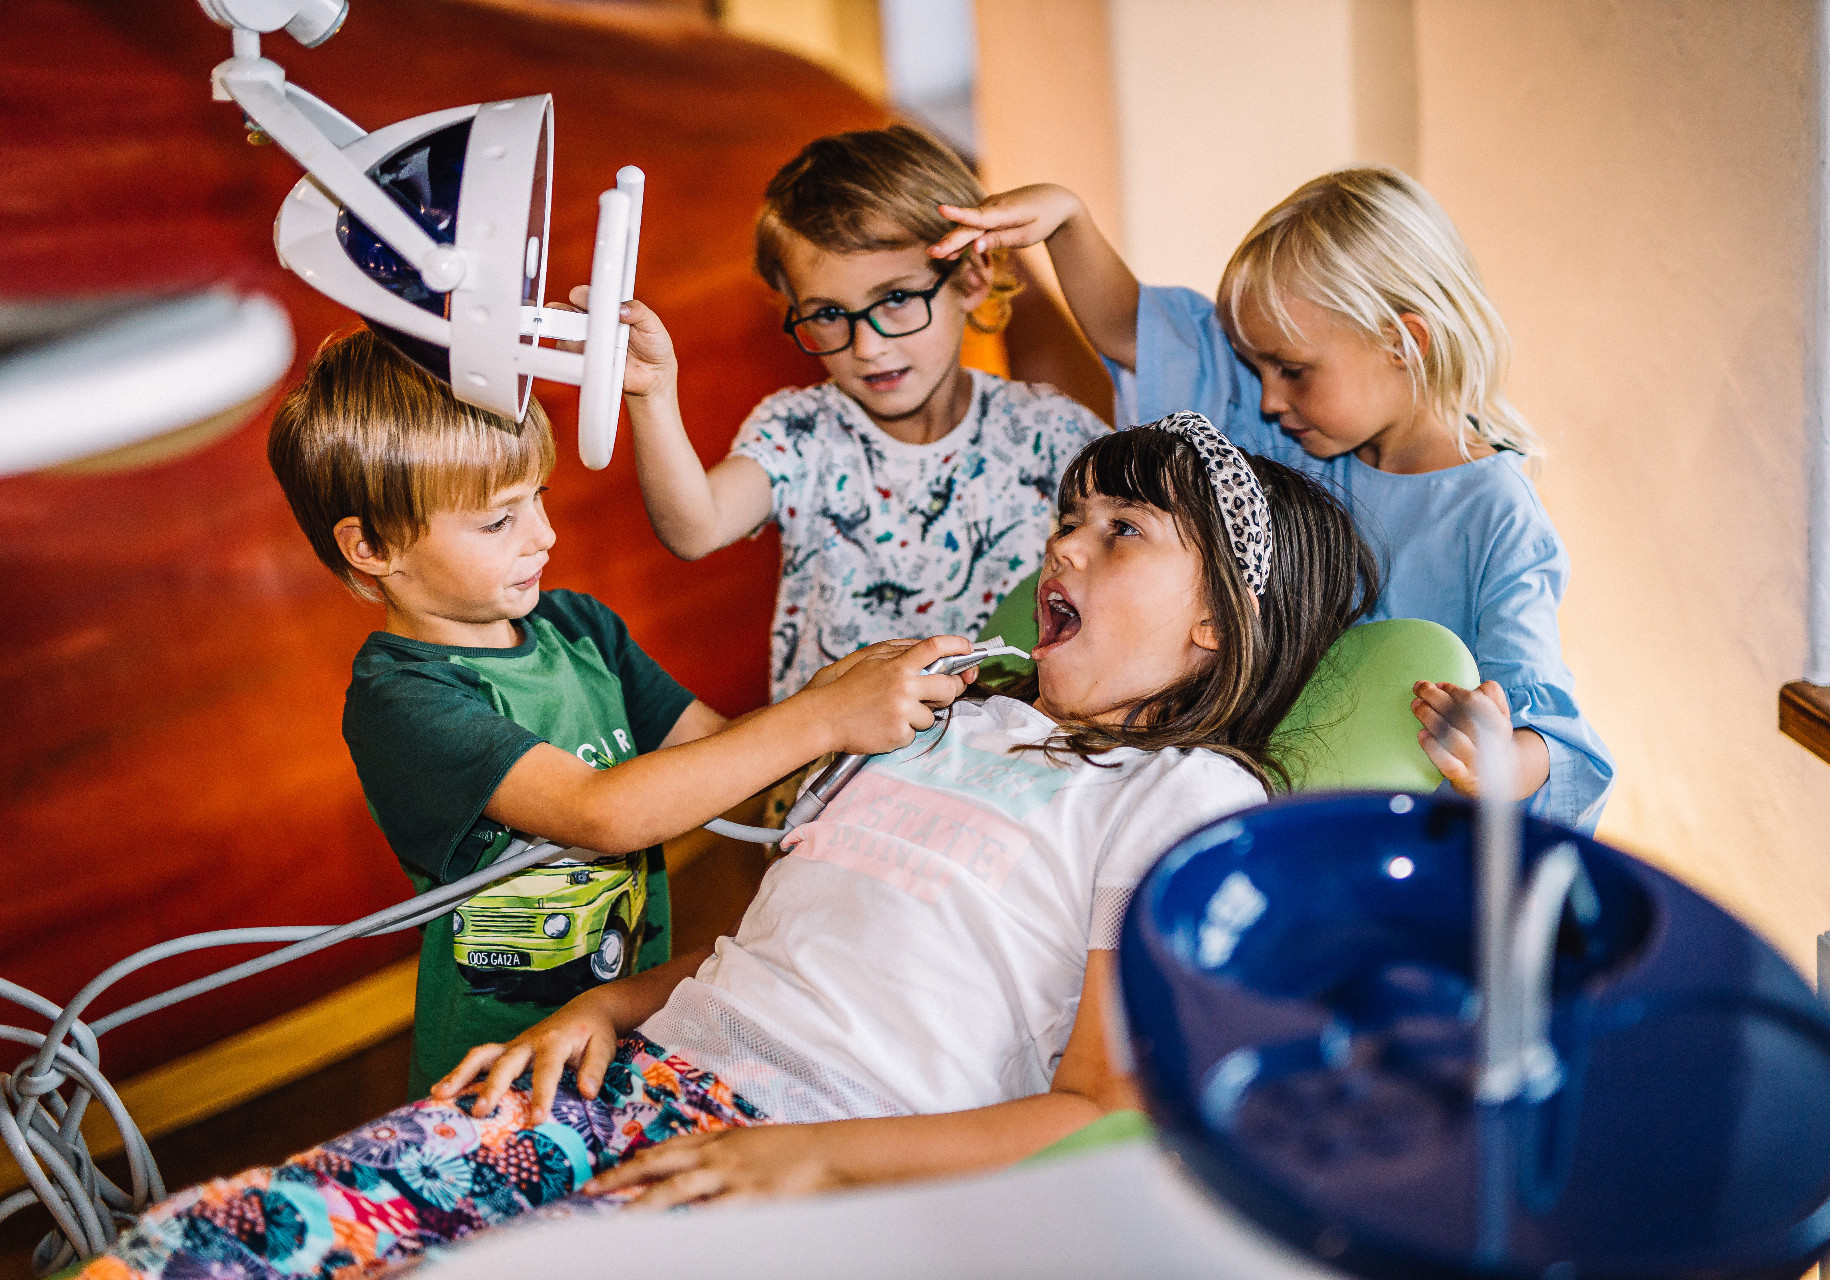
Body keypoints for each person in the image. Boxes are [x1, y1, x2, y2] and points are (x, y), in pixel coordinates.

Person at [79, 416, 1506, 1280]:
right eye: (1068, 517)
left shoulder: (1180, 796)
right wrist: (613, 1002)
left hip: (814, 1150)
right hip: (641, 1078)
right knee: (218, 1239)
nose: (1062, 549)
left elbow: (1091, 1109)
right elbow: (800, 939)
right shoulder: (945, 722)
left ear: (1213, 625)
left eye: (1122, 529)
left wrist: (809, 1166)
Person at [265, 330, 973, 1098]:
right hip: (499, 1066)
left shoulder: (578, 627)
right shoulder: (403, 697)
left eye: (538, 496)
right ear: (371, 547)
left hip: (632, 1016)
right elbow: (602, 813)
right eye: (499, 521)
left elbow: (720, 754)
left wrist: (841, 700)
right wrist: (820, 717)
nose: (544, 534)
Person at [929, 168, 1615, 832]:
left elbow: (1552, 732)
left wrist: (1501, 762)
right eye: (1255, 367)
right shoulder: (1294, 429)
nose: (1265, 399)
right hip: (1211, 785)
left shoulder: (1497, 517)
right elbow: (1137, 333)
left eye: (1291, 369)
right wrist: (1068, 220)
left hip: (1365, 832)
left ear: (1403, 343)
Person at [590, 123, 1107, 704]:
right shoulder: (799, 432)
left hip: (1002, 752)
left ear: (971, 277)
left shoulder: (1050, 431)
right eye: (830, 314)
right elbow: (695, 528)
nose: (868, 346)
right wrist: (653, 393)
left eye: (896, 298)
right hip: (836, 757)